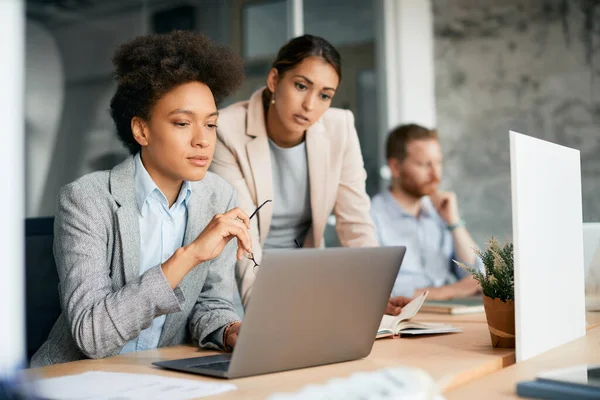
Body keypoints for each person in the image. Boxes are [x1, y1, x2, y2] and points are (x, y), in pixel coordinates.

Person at [31, 31, 252, 367]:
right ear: (141, 130)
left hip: (159, 376)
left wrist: (231, 331)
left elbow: (210, 305)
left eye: (210, 124)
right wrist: (190, 256)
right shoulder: (87, 199)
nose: (202, 140)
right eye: (182, 123)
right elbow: (92, 334)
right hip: (76, 378)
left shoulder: (218, 196)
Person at [210, 35, 378, 307]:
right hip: (241, 285)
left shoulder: (340, 127)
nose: (310, 106)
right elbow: (243, 235)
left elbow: (356, 223)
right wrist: (265, 312)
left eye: (324, 95)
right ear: (274, 80)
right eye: (301, 86)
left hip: (308, 280)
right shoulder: (228, 130)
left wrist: (376, 294)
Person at [371, 124, 483, 305]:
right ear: (395, 167)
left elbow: (477, 277)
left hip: (452, 313)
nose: (435, 174)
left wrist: (454, 223)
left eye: (438, 162)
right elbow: (377, 291)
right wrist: (451, 291)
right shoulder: (370, 217)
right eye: (424, 164)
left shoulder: (439, 213)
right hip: (407, 318)